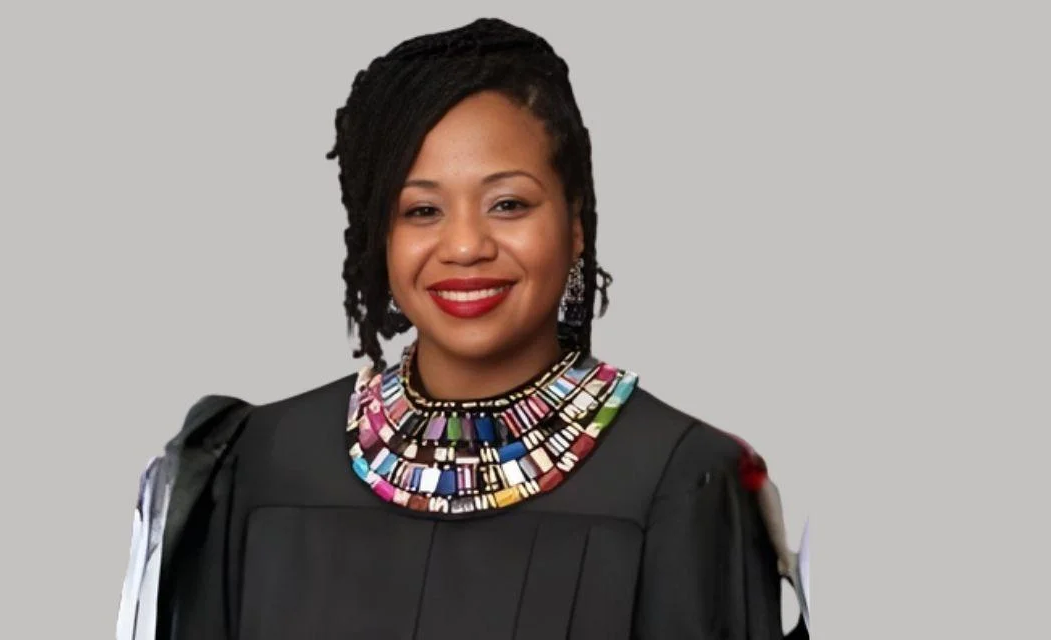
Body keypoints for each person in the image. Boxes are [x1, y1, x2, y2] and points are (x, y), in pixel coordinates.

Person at [117, 17, 806, 640]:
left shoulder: (683, 481)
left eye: (508, 204)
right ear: (378, 237)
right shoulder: (257, 464)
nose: (467, 246)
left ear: (574, 226)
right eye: (421, 211)